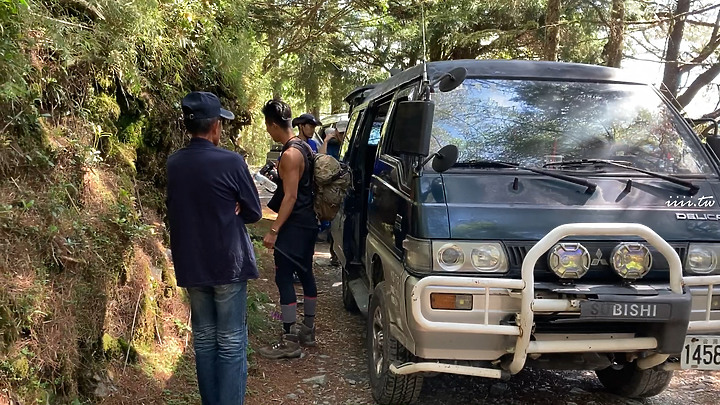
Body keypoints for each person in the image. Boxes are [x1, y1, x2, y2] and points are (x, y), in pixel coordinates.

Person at [166, 91, 261, 405]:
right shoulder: (231, 162)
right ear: (216, 126)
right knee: (231, 342)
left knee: (205, 341)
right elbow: (253, 212)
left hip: (192, 263)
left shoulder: (174, 164)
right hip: (228, 262)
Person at [258, 100, 319, 359]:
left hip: (294, 225)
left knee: (284, 277)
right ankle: (308, 330)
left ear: (273, 125)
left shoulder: (290, 154)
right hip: (309, 223)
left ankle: (290, 339)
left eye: (267, 126)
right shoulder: (304, 147)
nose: (268, 131)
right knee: (305, 273)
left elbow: (290, 197)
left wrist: (274, 229)